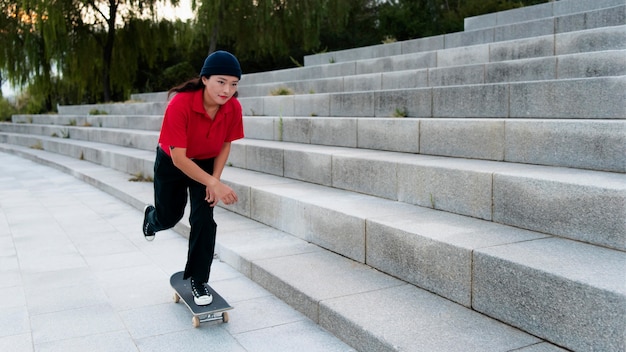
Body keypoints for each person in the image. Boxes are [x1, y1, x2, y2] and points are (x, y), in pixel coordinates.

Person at [142, 50, 243, 306]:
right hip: (173, 162)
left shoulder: (233, 107)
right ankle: (151, 219)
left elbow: (225, 144)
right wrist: (213, 183)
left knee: (204, 219)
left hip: (206, 162)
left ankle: (198, 280)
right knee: (170, 216)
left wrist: (214, 178)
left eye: (234, 84)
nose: (227, 90)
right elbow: (179, 159)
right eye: (221, 81)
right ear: (205, 79)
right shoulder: (180, 103)